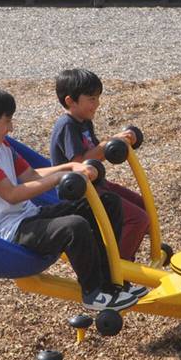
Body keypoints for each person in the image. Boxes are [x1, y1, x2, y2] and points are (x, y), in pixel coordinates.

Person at [0, 86, 144, 311]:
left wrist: (71, 166)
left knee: (108, 204)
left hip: (27, 216)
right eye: (6, 122)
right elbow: (12, 194)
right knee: (74, 227)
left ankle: (112, 282)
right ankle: (93, 293)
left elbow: (32, 175)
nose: (11, 128)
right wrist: (61, 177)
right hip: (7, 231)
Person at [49, 68, 149, 262]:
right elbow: (78, 164)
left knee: (143, 207)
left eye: (98, 98)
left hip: (95, 184)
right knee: (138, 218)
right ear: (70, 101)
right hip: (80, 193)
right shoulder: (66, 126)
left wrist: (114, 144)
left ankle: (125, 253)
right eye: (92, 99)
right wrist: (108, 144)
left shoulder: (84, 122)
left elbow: (95, 154)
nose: (97, 104)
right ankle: (118, 268)